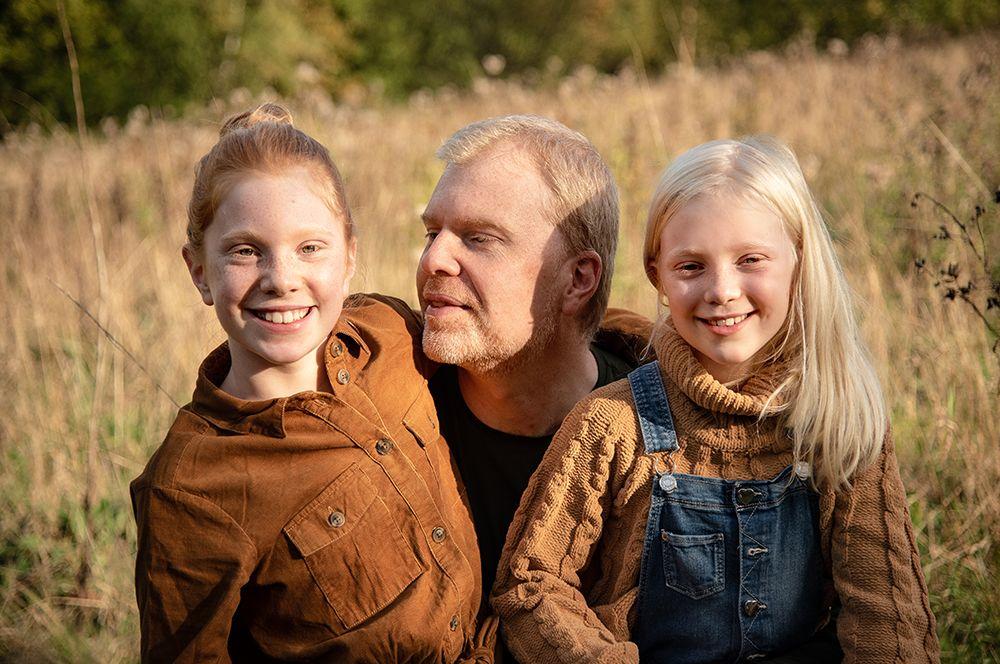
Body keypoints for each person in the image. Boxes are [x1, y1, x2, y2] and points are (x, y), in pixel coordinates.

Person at [491, 136, 940, 663]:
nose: (722, 290)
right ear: (658, 275)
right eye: (691, 266)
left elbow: (886, 612)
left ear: (799, 262)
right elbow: (531, 586)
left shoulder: (841, 418)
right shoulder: (611, 423)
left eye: (750, 259)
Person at [131, 103, 481, 663]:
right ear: (199, 271)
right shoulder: (191, 490)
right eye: (245, 251)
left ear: (349, 256)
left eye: (310, 248)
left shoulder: (388, 332)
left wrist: (626, 342)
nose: (281, 279)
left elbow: (498, 333)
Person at [416, 115, 650, 660]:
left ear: (578, 279)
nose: (433, 260)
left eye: (480, 239)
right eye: (431, 233)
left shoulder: (669, 435)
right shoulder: (386, 420)